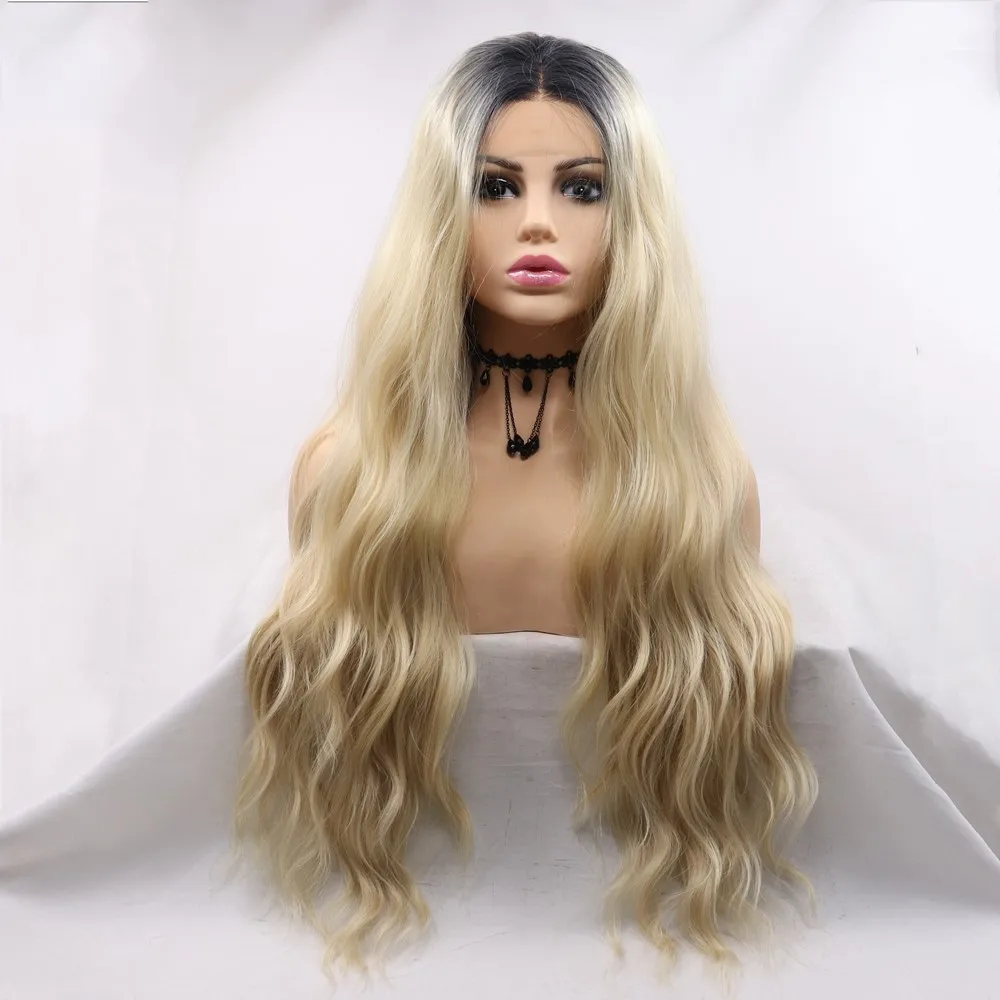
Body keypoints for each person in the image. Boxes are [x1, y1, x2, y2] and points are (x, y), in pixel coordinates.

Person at [232, 31, 816, 984]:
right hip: (411, 931)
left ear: (632, 216)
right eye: (495, 187)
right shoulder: (346, 480)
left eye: (582, 189)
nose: (538, 225)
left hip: (631, 932)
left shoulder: (704, 491)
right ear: (440, 212)